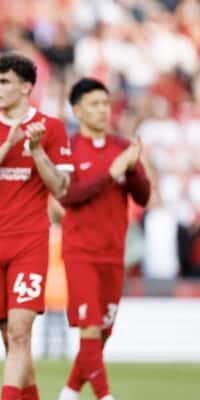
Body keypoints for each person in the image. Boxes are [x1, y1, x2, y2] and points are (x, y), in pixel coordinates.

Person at [0, 53, 73, 400]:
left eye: (4, 81)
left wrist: (37, 151)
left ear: (26, 87)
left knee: (22, 333)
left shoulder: (51, 128)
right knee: (8, 334)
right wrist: (8, 145)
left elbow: (61, 188)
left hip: (30, 240)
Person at [57, 78, 150, 400]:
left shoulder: (122, 148)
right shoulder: (67, 149)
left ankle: (69, 393)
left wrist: (134, 168)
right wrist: (111, 173)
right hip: (80, 251)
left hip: (114, 252)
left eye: (105, 103)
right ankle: (105, 396)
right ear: (77, 110)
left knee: (101, 335)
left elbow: (143, 197)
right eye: (94, 104)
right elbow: (69, 195)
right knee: (91, 329)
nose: (102, 110)